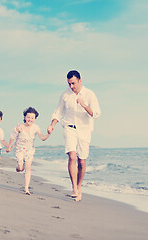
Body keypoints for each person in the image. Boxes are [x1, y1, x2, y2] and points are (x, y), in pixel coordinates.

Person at [47, 70, 101, 201]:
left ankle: (79, 186)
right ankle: (74, 188)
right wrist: (52, 124)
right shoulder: (65, 94)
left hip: (84, 130)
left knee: (82, 161)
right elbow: (59, 112)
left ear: (80, 81)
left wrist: (83, 104)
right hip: (69, 127)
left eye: (73, 83)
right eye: (69, 84)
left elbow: (96, 114)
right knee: (72, 156)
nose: (71, 86)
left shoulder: (89, 94)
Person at [7, 107, 51, 195]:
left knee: (28, 168)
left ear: (35, 119)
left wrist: (49, 134)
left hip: (29, 150)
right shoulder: (20, 127)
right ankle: (19, 166)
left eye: (32, 118)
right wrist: (9, 147)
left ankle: (26, 188)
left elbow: (42, 138)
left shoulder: (36, 127)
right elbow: (12, 137)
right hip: (19, 149)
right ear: (25, 117)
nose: (30, 119)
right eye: (28, 117)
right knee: (20, 167)